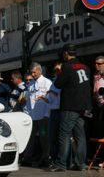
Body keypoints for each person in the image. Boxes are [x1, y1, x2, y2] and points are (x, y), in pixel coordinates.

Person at [49, 44, 92, 172]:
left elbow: (57, 84)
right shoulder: (86, 67)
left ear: (66, 54)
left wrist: (59, 74)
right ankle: (81, 164)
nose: (63, 56)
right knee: (80, 135)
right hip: (83, 106)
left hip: (70, 106)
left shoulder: (67, 67)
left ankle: (61, 163)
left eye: (63, 54)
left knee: (64, 134)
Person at [22, 62, 52, 168]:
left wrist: (46, 114)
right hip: (33, 116)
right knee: (30, 137)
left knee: (44, 137)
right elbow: (29, 102)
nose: (33, 74)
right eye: (31, 72)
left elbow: (50, 100)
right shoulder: (30, 84)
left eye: (34, 72)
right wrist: (28, 114)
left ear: (40, 71)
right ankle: (27, 158)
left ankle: (45, 158)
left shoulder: (47, 83)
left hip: (43, 116)